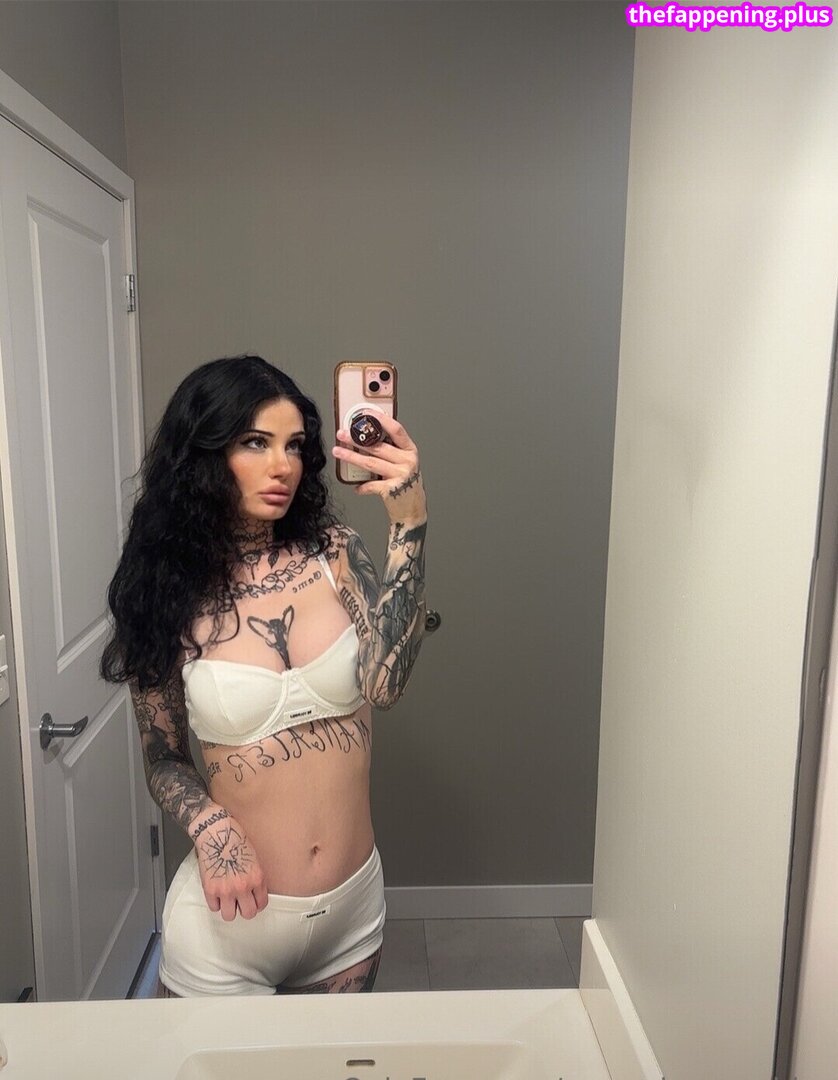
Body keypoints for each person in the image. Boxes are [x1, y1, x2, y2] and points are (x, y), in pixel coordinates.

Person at [99, 354, 428, 996]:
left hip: (352, 914)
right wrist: (210, 826)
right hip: (230, 924)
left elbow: (385, 687)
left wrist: (410, 525)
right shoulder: (165, 590)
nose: (283, 466)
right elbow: (164, 757)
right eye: (256, 442)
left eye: (295, 445)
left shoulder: (333, 551)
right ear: (203, 454)